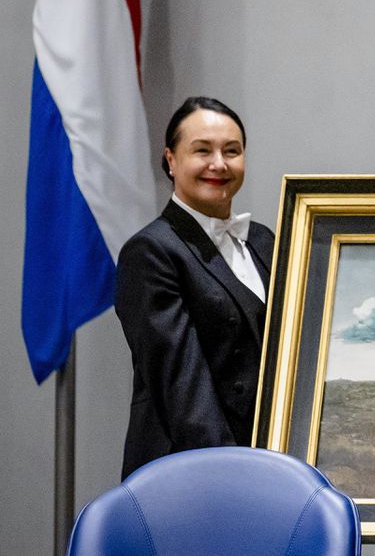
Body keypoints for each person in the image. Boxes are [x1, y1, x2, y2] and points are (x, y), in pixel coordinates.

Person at [115, 96, 275, 479]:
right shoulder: (151, 251)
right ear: (171, 160)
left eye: (232, 151)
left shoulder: (265, 241)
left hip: (268, 465)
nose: (219, 164)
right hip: (190, 474)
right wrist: (236, 477)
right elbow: (182, 389)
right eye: (202, 150)